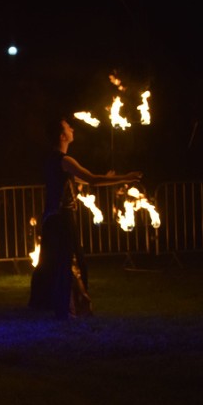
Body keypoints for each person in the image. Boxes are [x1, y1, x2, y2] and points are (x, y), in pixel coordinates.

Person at [29, 117, 143, 319]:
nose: (72, 128)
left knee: (55, 262)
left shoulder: (54, 160)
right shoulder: (64, 160)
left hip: (52, 219)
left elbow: (89, 180)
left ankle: (59, 306)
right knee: (70, 262)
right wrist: (126, 177)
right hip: (62, 219)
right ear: (62, 136)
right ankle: (72, 308)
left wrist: (109, 178)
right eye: (67, 127)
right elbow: (92, 179)